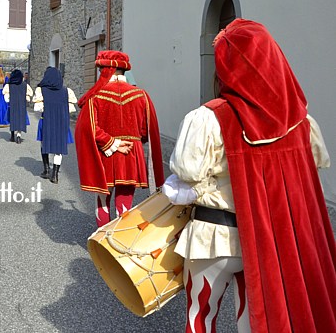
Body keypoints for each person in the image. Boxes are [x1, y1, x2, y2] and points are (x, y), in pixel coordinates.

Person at [163, 19, 336, 333]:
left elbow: (185, 174)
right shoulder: (302, 122)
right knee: (255, 323)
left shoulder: (208, 118)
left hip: (214, 238)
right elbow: (314, 168)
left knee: (200, 317)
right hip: (271, 241)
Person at [75, 51, 164, 227]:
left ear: (107, 70)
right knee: (125, 202)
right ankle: (117, 241)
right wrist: (132, 141)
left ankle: (102, 240)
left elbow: (87, 127)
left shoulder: (96, 97)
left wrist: (112, 143)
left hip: (105, 154)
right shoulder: (142, 95)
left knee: (102, 199)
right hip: (131, 153)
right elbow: (147, 130)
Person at [33, 67, 77, 184]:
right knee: (59, 149)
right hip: (62, 122)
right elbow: (71, 109)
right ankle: (55, 174)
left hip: (46, 120)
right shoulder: (67, 91)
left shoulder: (41, 90)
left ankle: (46, 170)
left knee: (44, 143)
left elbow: (37, 108)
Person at [3, 69, 33, 143]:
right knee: (20, 120)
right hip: (22, 105)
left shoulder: (9, 85)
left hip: (12, 105)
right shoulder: (25, 85)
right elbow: (30, 94)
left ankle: (12, 135)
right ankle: (19, 135)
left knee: (12, 119)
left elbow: (6, 98)